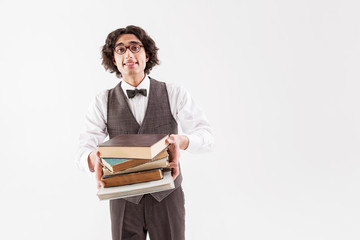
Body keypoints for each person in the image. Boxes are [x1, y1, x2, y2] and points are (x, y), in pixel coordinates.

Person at [76, 25, 214, 240]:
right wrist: (92, 158)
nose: (128, 54)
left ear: (146, 54)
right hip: (123, 198)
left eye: (134, 47)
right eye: (120, 49)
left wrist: (181, 141)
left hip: (166, 195)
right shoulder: (102, 100)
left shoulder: (174, 92)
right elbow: (83, 149)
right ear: (114, 60)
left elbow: (206, 136)